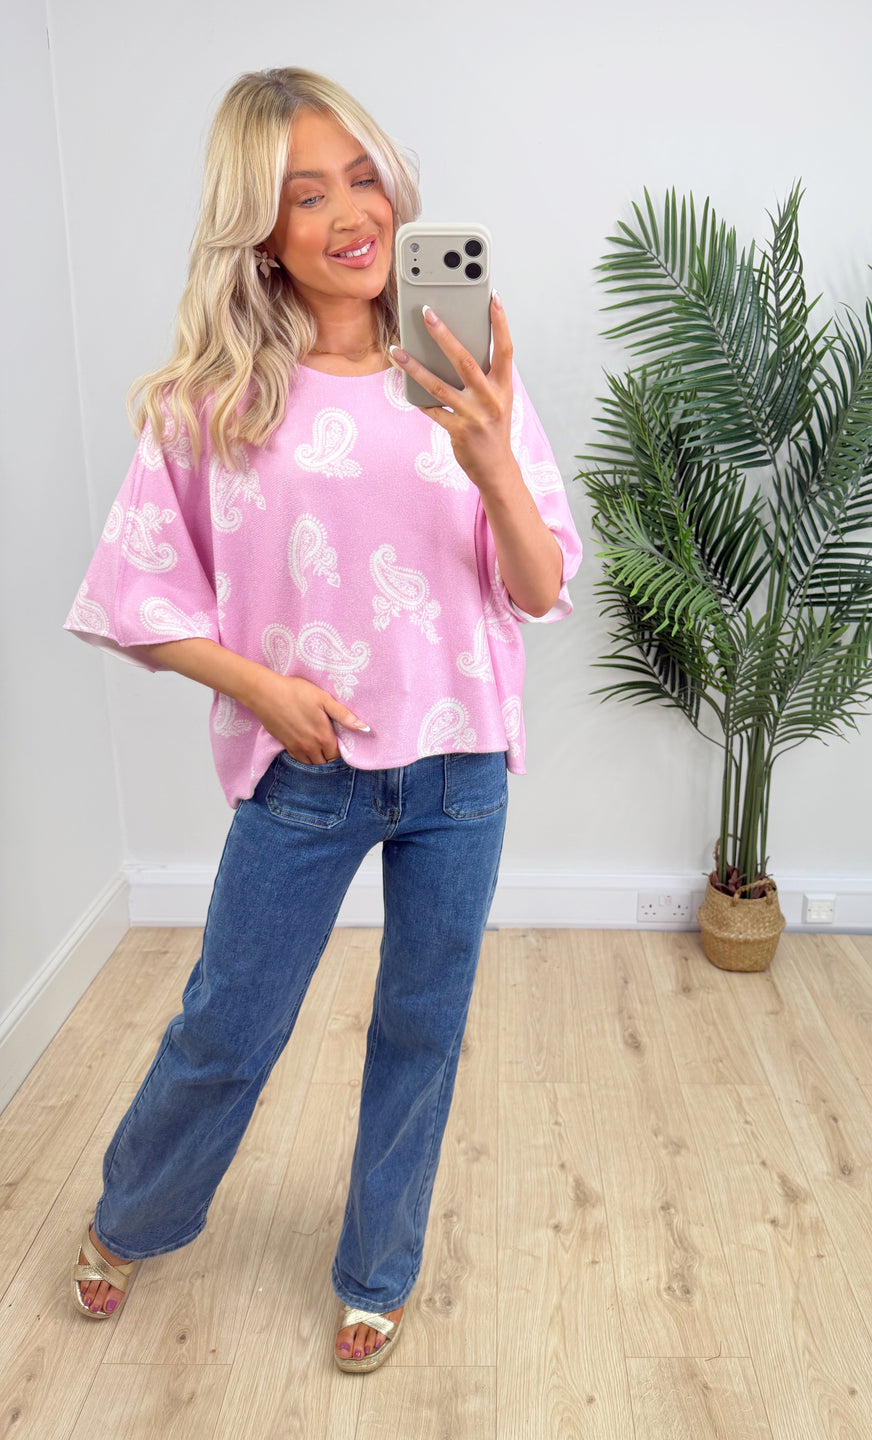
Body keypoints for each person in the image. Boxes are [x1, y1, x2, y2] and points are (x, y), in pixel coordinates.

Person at [62, 65, 582, 1374]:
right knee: (227, 1026)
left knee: (422, 1027)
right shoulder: (214, 400)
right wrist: (261, 687)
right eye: (308, 195)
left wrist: (489, 458)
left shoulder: (466, 374)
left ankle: (378, 1269)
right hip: (305, 769)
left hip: (462, 763)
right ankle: (132, 1219)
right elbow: (134, 597)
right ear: (261, 230)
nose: (353, 213)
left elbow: (538, 588)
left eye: (364, 177)